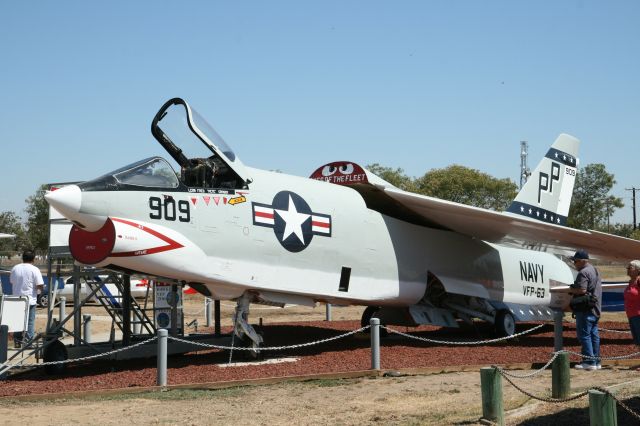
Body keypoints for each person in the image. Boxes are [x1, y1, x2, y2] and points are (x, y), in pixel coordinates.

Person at [568, 249, 603, 371]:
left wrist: (571, 290)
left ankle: (588, 361)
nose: (574, 264)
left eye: (576, 261)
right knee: (594, 335)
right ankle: (596, 361)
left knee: (584, 335)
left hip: (586, 309)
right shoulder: (595, 270)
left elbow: (582, 290)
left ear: (582, 261)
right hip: (595, 308)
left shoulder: (583, 272)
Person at [10, 250, 44, 348]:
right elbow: (40, 285)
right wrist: (40, 291)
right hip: (30, 299)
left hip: (16, 299)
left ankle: (17, 341)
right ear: (33, 259)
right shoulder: (35, 269)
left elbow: (12, 281)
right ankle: (28, 342)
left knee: (17, 321)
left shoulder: (15, 268)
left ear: (23, 258)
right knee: (30, 321)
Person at [624, 260, 640, 347]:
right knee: (637, 342)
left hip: (638, 315)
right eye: (628, 268)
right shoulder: (631, 282)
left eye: (630, 268)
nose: (628, 269)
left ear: (638, 270)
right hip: (632, 315)